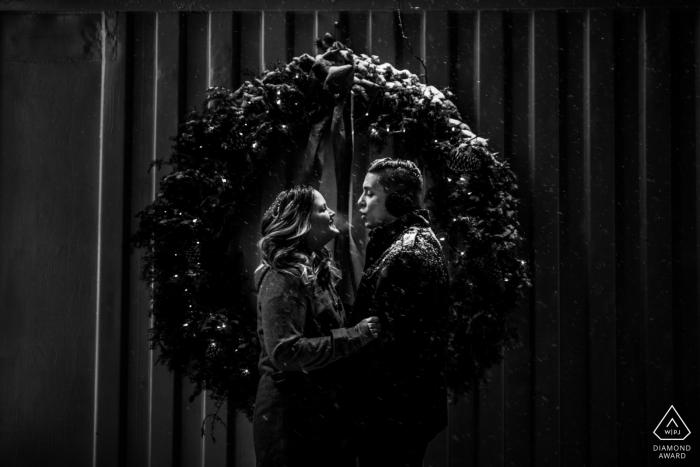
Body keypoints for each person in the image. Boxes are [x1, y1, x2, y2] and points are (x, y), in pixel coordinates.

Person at [252, 185, 380, 467]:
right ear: (301, 224)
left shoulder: (314, 269)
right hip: (292, 419)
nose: (332, 213)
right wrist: (354, 337)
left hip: (316, 413)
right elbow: (285, 352)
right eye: (323, 209)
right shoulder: (283, 277)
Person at [351, 158, 449, 467]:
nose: (360, 201)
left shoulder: (406, 253)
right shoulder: (403, 244)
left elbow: (387, 347)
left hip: (390, 415)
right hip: (399, 412)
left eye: (369, 193)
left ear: (397, 199)